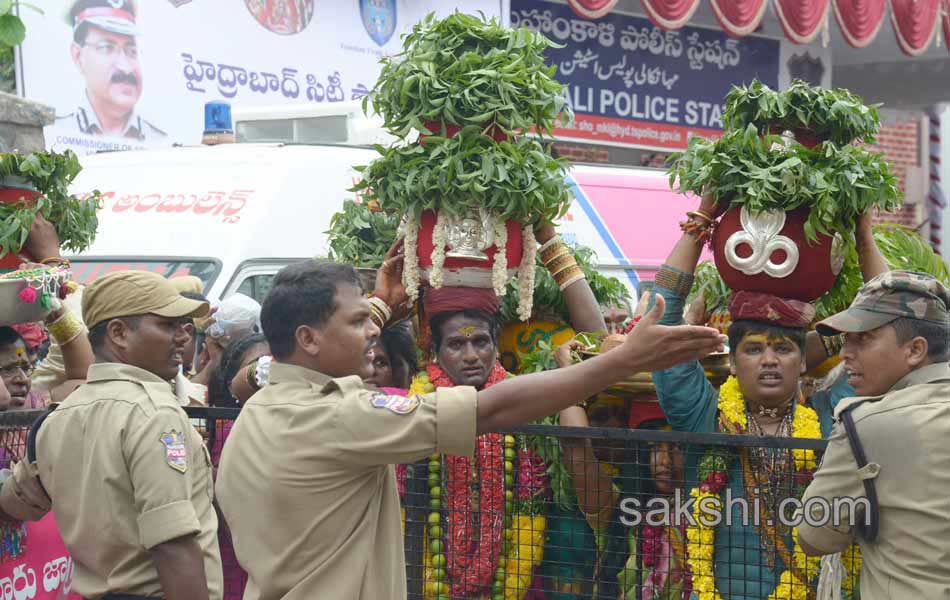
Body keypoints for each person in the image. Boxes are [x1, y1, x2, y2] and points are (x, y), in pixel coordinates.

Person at [214, 245, 725, 600]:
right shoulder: (338, 417)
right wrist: (620, 361)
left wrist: (374, 306)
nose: (372, 334)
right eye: (356, 323)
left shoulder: (259, 408)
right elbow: (493, 410)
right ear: (307, 339)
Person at [648, 194, 888, 599]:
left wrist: (864, 239)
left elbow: (888, 324)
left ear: (801, 361)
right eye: (755, 349)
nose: (770, 361)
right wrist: (702, 216)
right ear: (732, 362)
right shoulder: (704, 416)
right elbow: (663, 316)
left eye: (783, 349)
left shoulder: (836, 418)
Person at [0, 270, 223, 600]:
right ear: (118, 333)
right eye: (167, 325)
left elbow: (14, 504)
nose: (182, 337)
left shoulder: (60, 415)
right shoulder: (153, 414)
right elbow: (174, 546)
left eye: (184, 327)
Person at [798, 271, 950, 599]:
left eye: (863, 338)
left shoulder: (866, 424)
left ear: (915, 350)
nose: (845, 353)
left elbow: (815, 537)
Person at [548, 337, 692, 600]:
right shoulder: (617, 508)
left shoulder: (715, 502)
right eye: (653, 447)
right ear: (638, 452)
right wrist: (570, 375)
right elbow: (578, 452)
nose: (665, 461)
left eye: (676, 448)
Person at [58, 0, 166, 140]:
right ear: (78, 56)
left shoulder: (161, 143)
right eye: (106, 48)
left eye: (131, 51)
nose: (125, 67)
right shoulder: (54, 134)